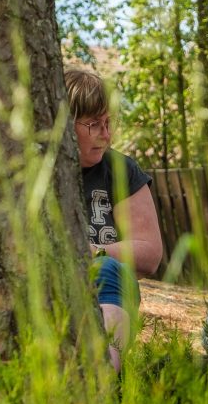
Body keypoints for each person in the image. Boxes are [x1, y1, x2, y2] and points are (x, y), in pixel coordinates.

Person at [65, 68, 163, 370]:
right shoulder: (32, 170)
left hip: (107, 289)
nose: (106, 135)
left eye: (109, 123)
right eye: (93, 124)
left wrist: (94, 253)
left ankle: (103, 383)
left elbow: (149, 254)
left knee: (107, 268)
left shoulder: (120, 170)